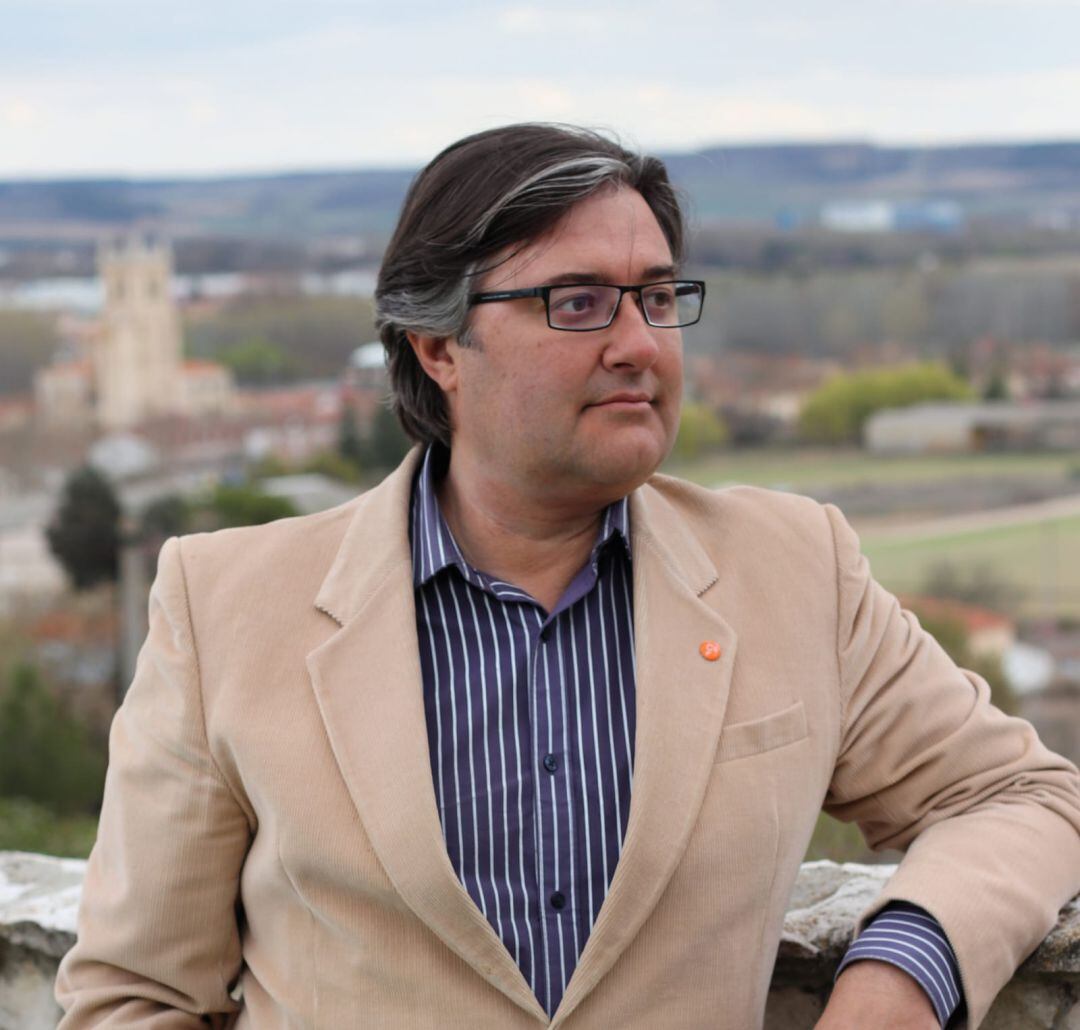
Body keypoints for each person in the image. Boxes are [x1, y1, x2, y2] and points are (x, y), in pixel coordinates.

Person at [57, 124, 1080, 1029]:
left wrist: (902, 976)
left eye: (659, 296)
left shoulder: (794, 568)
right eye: (579, 302)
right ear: (439, 346)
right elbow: (133, 994)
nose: (640, 344)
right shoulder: (226, 601)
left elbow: (1024, 793)